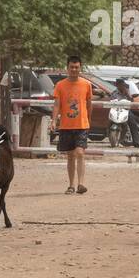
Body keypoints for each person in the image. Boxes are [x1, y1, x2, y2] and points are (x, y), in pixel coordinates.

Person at [54, 55, 94, 194]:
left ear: (80, 68)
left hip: (82, 125)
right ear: (67, 68)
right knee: (70, 155)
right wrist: (54, 120)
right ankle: (71, 185)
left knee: (80, 153)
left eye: (76, 67)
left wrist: (88, 120)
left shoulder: (86, 84)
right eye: (72, 67)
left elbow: (89, 104)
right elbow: (57, 104)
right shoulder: (60, 85)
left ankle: (81, 184)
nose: (74, 69)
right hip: (66, 125)